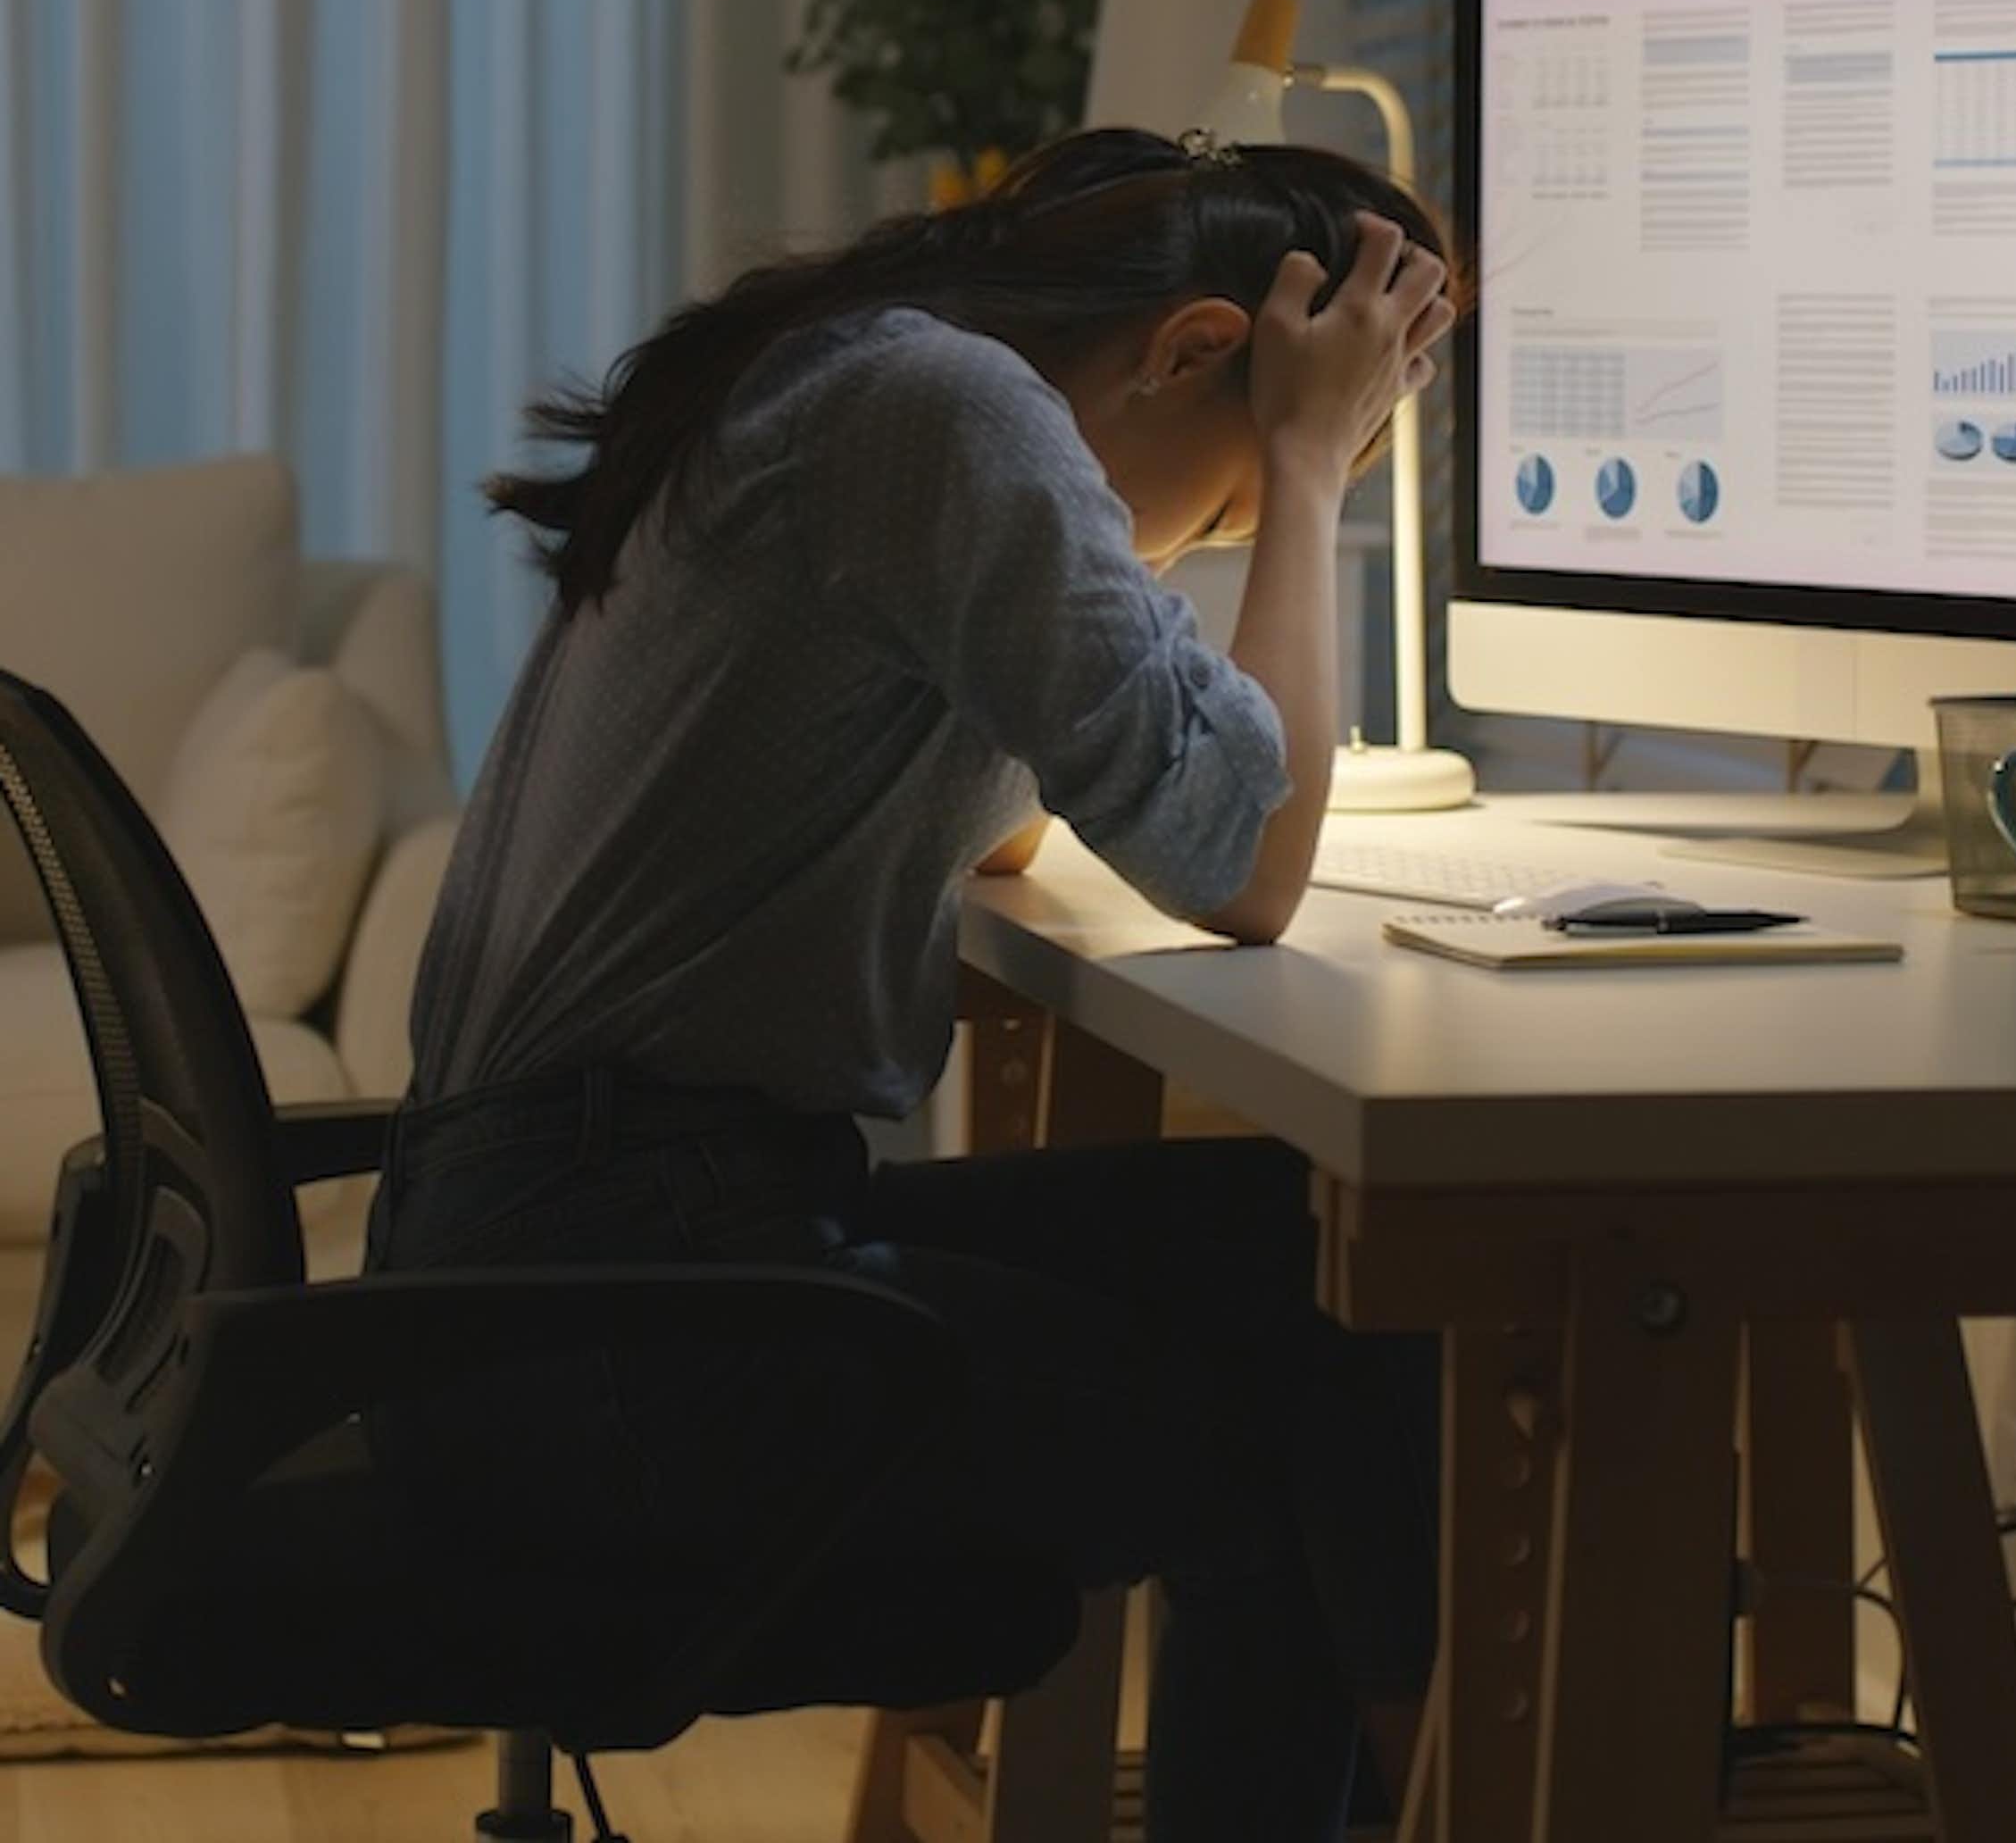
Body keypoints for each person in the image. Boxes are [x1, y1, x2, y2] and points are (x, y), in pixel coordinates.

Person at [364, 126, 1459, 1839]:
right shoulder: (939, 408)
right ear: (1188, 351)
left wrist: (1213, 502)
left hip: (570, 1252)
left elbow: (1011, 832)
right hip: (624, 1324)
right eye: (1236, 499)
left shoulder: (858, 386)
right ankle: (1462, 1794)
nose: (1218, 542)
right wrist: (1314, 467)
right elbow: (1244, 867)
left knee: (1311, 1256)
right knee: (1313, 1407)